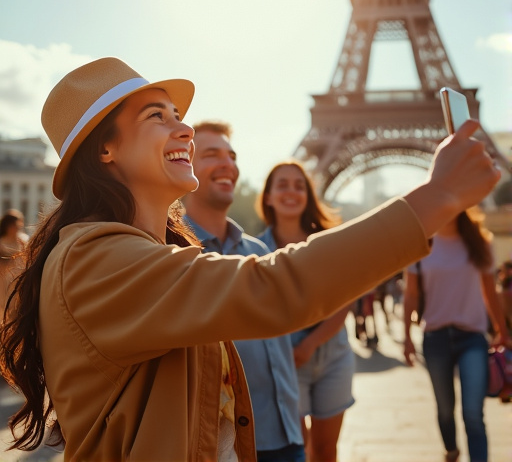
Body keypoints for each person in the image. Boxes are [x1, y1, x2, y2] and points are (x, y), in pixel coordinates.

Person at [0, 57, 500, 461]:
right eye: (157, 116)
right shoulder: (96, 259)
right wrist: (437, 198)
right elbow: (273, 287)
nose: (185, 129)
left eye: (178, 115)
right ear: (104, 149)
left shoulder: (137, 255)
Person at [182, 120, 305, 462]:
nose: (228, 164)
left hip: (287, 436)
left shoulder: (261, 253)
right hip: (224, 447)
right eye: (211, 154)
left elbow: (280, 349)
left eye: (232, 155)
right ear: (184, 167)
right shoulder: (173, 257)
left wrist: (296, 421)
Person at [257, 161, 355, 462]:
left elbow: (346, 298)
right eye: (282, 185)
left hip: (332, 353)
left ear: (308, 197)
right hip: (284, 359)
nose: (291, 191)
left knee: (326, 451)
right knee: (297, 448)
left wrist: (310, 344)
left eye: (299, 186)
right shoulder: (254, 250)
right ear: (269, 197)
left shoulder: (329, 242)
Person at [403, 210, 511, 462]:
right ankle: (451, 451)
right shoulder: (421, 242)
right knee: (444, 410)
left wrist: (501, 331)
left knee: (473, 412)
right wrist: (406, 336)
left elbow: (489, 291)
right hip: (434, 338)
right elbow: (411, 295)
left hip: (472, 338)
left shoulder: (479, 242)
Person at [0, 209, 27, 323]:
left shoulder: (24, 240)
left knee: (16, 308)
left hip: (19, 279)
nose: (16, 228)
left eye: (18, 225)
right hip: (3, 280)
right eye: (14, 225)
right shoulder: (1, 242)